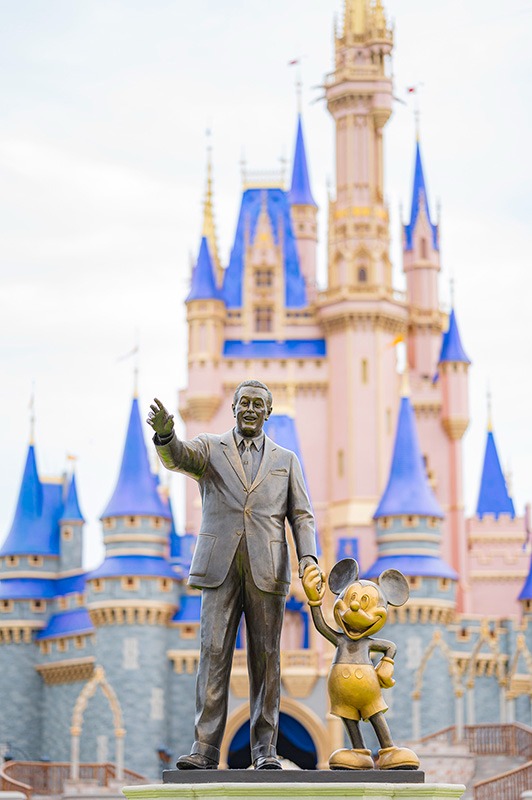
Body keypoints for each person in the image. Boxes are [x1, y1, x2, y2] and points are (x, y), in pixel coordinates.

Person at [147, 380, 322, 770]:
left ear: (268, 412)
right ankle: (205, 748)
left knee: (267, 660)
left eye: (258, 404)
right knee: (212, 655)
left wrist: (308, 558)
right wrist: (166, 436)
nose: (250, 409)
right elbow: (178, 458)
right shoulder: (211, 448)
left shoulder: (286, 460)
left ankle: (265, 750)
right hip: (219, 568)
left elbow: (302, 515)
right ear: (233, 407)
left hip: (268, 570)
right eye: (244, 402)